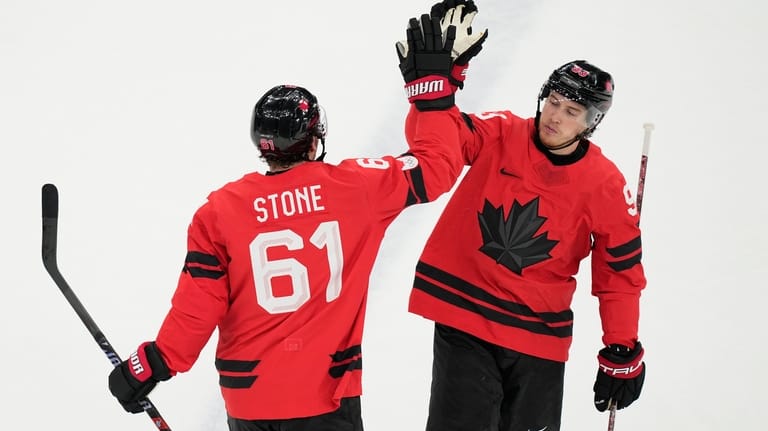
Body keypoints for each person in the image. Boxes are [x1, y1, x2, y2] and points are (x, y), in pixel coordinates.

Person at [106, 9, 487, 431]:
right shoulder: (357, 188)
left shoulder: (219, 211)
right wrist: (433, 95)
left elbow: (198, 308)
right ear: (313, 137)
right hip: (325, 398)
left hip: (249, 400)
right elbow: (437, 168)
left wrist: (151, 364)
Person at [401, 3, 647, 431]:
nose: (555, 116)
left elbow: (620, 272)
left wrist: (621, 347)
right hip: (467, 318)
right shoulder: (502, 132)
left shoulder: (605, 184)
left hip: (539, 336)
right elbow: (435, 147)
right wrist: (439, 91)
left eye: (571, 111)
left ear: (592, 122)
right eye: (553, 102)